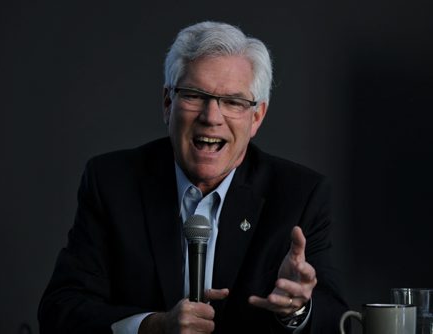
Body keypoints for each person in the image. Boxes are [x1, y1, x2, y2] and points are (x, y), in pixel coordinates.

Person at [38, 21, 349, 333]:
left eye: (233, 102)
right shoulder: (112, 182)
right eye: (193, 95)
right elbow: (61, 310)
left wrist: (297, 310)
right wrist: (154, 327)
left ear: (256, 117)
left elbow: (335, 320)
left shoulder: (299, 195)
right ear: (167, 104)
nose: (211, 117)